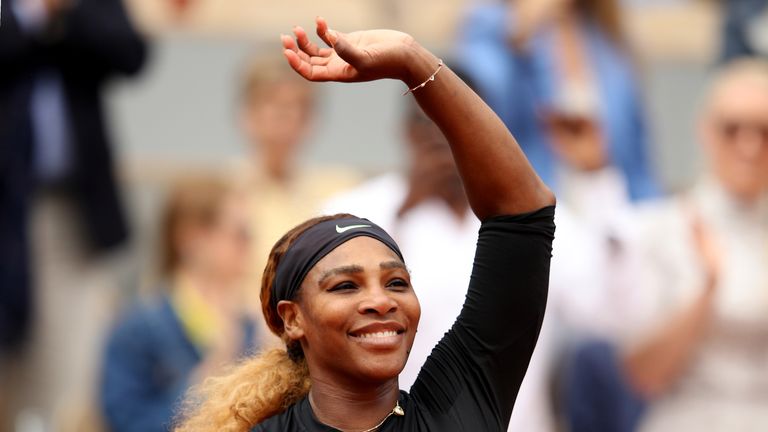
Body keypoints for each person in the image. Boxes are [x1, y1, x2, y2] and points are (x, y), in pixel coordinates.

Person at [174, 16, 556, 432]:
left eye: (396, 282)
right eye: (345, 285)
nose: (382, 300)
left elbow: (521, 214)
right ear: (292, 319)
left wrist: (412, 60)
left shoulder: (454, 411)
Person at [565, 58, 768, 432]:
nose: (750, 146)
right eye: (732, 129)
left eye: (764, 130)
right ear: (705, 132)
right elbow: (640, 373)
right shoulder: (665, 227)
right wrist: (708, 289)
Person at [456, 0, 659, 201]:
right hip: (531, 212)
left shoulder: (608, 43)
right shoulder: (489, 27)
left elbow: (638, 165)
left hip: (606, 207)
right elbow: (476, 112)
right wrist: (517, 30)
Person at [100, 175, 258, 432]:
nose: (250, 245)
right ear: (192, 238)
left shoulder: (252, 321)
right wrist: (209, 378)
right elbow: (126, 423)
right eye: (240, 234)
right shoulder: (137, 327)